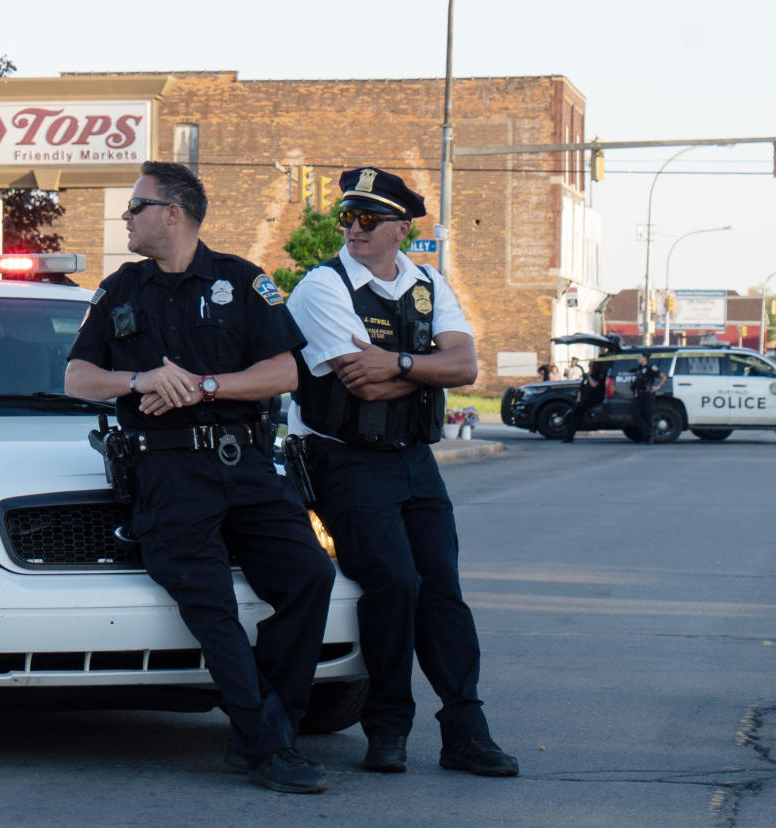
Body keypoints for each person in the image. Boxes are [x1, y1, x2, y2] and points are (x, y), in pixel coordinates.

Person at [64, 161, 336, 794]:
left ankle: (272, 722)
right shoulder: (119, 290)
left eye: (135, 207)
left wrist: (201, 386)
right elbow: (77, 378)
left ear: (173, 213)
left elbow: (284, 374)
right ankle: (268, 746)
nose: (126, 218)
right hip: (165, 471)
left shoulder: (244, 283)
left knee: (309, 577)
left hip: (246, 464)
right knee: (212, 609)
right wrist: (141, 380)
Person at [285, 166, 519, 777]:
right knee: (394, 584)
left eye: (368, 219)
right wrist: (422, 370)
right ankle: (386, 730)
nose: (353, 229)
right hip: (346, 461)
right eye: (347, 217)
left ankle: (465, 730)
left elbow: (465, 366)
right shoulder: (322, 285)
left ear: (400, 229)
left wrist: (397, 363)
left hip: (414, 460)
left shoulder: (427, 283)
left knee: (442, 589)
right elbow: (356, 381)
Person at [561, 361, 606, 442]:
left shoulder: (599, 375)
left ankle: (569, 436)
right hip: (584, 399)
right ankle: (569, 435)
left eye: (592, 367)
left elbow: (594, 385)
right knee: (572, 414)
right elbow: (581, 389)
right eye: (589, 366)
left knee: (575, 413)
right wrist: (578, 398)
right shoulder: (586, 376)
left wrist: (589, 376)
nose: (590, 368)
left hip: (593, 399)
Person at [630, 349, 668, 444]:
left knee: (647, 416)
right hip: (638, 395)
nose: (638, 359)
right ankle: (649, 433)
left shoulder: (651, 368)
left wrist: (657, 387)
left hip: (647, 395)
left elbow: (663, 377)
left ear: (645, 358)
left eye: (640, 357)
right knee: (636, 415)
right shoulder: (639, 368)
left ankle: (648, 438)